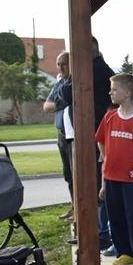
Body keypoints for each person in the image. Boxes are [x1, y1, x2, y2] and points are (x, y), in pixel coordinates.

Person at [95, 73, 133, 265]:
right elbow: (101, 140)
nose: (110, 92)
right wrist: (106, 160)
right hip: (111, 177)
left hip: (131, 178)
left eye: (114, 89)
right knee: (115, 216)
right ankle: (124, 252)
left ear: (127, 92)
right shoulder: (109, 116)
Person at [92, 37, 116, 251]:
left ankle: (105, 235)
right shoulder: (98, 69)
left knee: (104, 190)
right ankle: (102, 233)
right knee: (100, 189)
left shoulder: (98, 71)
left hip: (103, 141)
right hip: (98, 141)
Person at [43, 51, 73, 220]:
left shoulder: (75, 82)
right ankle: (74, 207)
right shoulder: (60, 83)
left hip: (74, 137)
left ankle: (81, 209)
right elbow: (46, 106)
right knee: (68, 174)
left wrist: (60, 102)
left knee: (77, 174)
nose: (61, 68)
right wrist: (61, 103)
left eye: (64, 64)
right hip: (62, 136)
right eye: (58, 64)